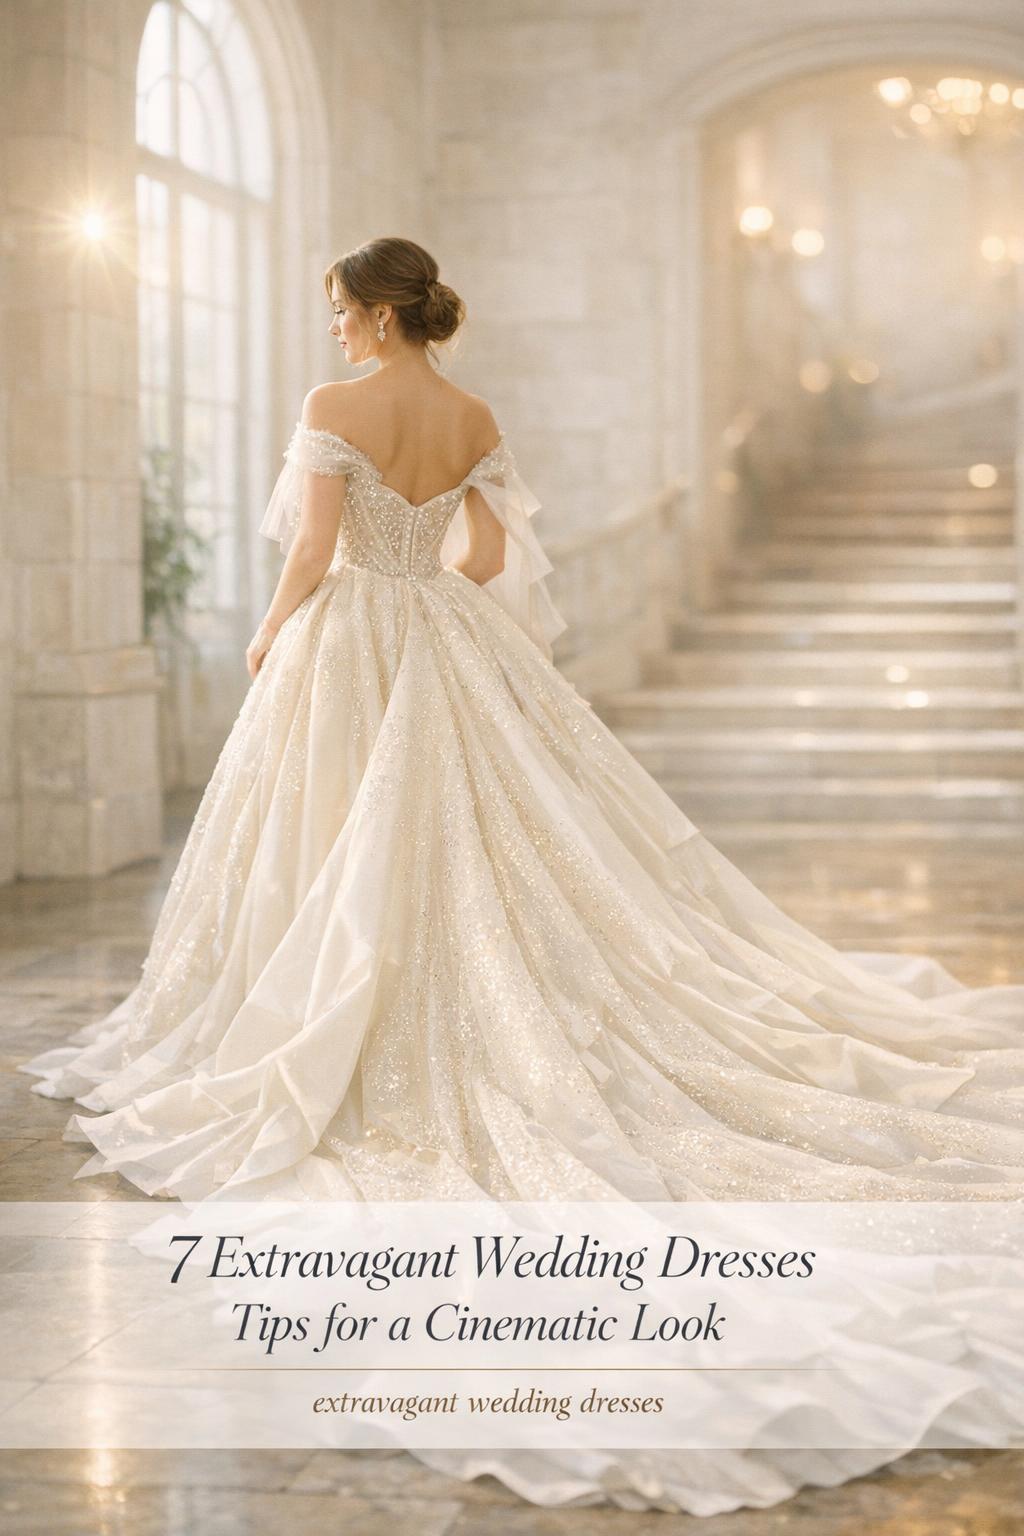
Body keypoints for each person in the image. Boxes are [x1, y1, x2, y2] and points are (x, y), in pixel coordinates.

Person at [18, 236, 1024, 1516]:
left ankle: (328, 1001)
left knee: (328, 838)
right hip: (444, 639)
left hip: (353, 645)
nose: (331, 329)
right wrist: (424, 589)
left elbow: (313, 550)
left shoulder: (337, 408)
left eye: (339, 309)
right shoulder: (472, 409)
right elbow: (491, 560)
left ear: (382, 311)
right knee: (480, 844)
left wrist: (278, 627)